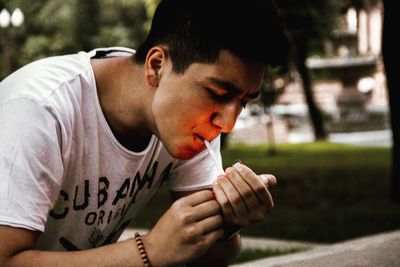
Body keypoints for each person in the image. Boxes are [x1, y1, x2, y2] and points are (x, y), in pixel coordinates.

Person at [0, 0, 288, 266]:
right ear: (157, 66)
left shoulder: (184, 122)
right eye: (218, 93)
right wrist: (149, 251)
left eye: (245, 100)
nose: (227, 123)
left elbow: (206, 255)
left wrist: (229, 221)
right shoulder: (38, 110)